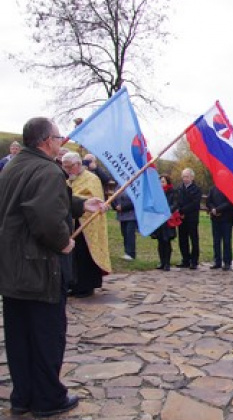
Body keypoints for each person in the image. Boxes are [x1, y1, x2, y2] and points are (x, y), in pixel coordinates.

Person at [0, 117, 106, 417]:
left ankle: (22, 397)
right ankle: (48, 399)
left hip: (11, 269)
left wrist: (81, 205)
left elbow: (36, 200)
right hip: (39, 269)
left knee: (19, 336)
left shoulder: (13, 166)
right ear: (46, 141)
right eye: (59, 138)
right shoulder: (48, 169)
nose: (62, 142)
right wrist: (62, 242)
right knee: (47, 334)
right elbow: (45, 217)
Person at [63, 152, 112, 298]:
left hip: (87, 223)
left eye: (69, 167)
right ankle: (73, 283)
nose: (67, 170)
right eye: (64, 167)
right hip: (71, 222)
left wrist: (80, 202)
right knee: (73, 256)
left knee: (85, 255)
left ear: (78, 164)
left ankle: (86, 286)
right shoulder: (68, 180)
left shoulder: (92, 179)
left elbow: (96, 199)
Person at [206, 185, 233, 271]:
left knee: (226, 241)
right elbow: (208, 201)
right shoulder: (213, 188)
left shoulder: (229, 188)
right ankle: (217, 261)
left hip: (226, 219)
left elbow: (230, 203)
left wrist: (218, 209)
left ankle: (227, 262)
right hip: (215, 218)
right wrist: (212, 209)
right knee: (216, 241)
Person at [175, 168, 202, 269]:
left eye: (187, 176)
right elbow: (177, 201)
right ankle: (185, 259)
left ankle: (194, 261)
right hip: (181, 218)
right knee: (182, 239)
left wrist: (183, 211)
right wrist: (179, 211)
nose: (185, 179)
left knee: (193, 239)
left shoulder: (196, 189)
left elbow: (194, 204)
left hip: (191, 217)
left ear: (192, 177)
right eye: (183, 176)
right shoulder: (179, 188)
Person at [152, 174, 178, 271]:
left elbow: (175, 204)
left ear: (167, 182)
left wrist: (166, 211)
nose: (161, 183)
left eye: (163, 181)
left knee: (166, 241)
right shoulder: (157, 192)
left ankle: (167, 263)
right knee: (160, 241)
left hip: (168, 220)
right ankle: (162, 262)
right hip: (159, 220)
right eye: (160, 182)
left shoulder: (173, 192)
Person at [112, 190, 137, 260]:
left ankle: (131, 253)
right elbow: (113, 198)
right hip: (121, 216)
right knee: (124, 233)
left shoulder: (133, 188)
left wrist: (123, 207)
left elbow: (135, 201)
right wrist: (115, 206)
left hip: (131, 215)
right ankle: (126, 252)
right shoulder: (118, 187)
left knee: (130, 233)